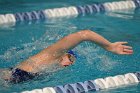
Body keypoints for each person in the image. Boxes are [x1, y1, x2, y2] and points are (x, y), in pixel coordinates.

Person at [0, 30, 133, 83]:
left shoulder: (53, 69)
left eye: (72, 62)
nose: (69, 63)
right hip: (9, 76)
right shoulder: (53, 54)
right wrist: (109, 46)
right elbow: (84, 34)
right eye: (69, 58)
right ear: (63, 53)